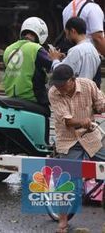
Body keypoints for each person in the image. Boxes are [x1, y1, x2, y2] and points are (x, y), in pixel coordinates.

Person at [48, 65, 105, 233]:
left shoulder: (88, 85)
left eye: (62, 84)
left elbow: (100, 104)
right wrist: (83, 122)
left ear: (73, 80)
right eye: (56, 84)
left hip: (91, 136)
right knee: (68, 182)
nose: (59, 87)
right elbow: (67, 120)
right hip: (68, 140)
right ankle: (63, 222)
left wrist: (101, 107)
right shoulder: (54, 92)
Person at [60, 0, 104, 86]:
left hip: (72, 55)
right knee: (91, 92)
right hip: (89, 57)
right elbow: (98, 38)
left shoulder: (68, 7)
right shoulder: (93, 8)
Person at [2, 17, 53, 111]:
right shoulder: (35, 48)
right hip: (32, 98)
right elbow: (53, 65)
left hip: (11, 97)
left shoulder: (8, 49)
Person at [51, 17, 101, 82]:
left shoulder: (76, 50)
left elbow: (61, 73)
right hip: (88, 88)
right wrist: (66, 58)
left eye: (67, 33)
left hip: (76, 90)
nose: (67, 37)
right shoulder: (93, 49)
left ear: (72, 31)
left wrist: (55, 59)